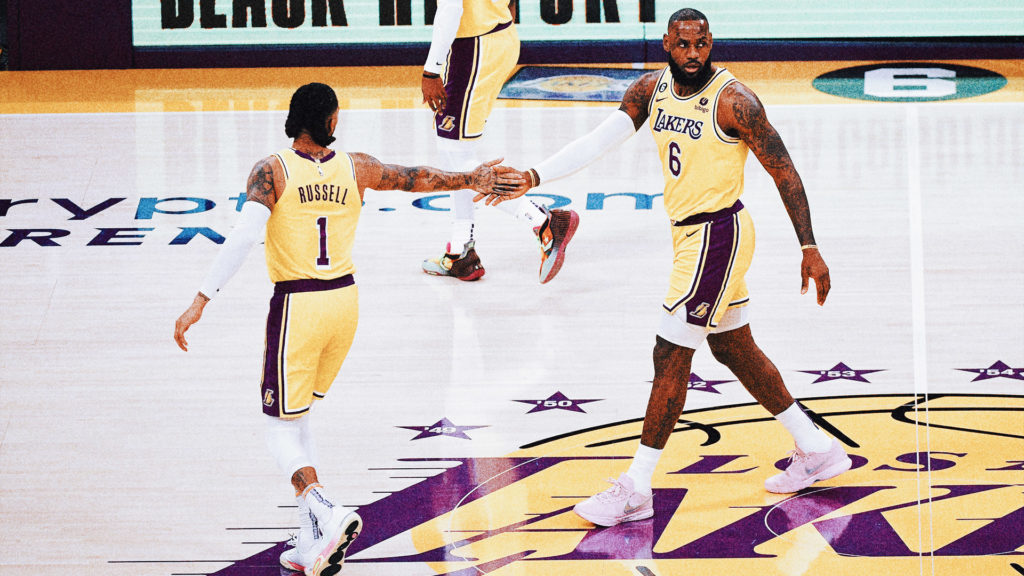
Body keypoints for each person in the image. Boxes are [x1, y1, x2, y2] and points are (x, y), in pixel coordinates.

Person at [479, 8, 851, 527]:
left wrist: (809, 245)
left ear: (711, 42)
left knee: (670, 352)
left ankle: (636, 486)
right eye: (683, 44)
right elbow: (598, 140)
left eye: (701, 44)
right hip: (689, 237)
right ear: (666, 44)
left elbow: (783, 169)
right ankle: (816, 448)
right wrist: (534, 176)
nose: (693, 54)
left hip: (718, 236)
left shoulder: (734, 101)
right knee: (732, 347)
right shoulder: (650, 90)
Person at [172, 83, 520, 575]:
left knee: (277, 426)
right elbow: (416, 178)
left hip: (298, 304)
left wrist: (201, 298)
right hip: (345, 303)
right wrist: (472, 177)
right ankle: (310, 538)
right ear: (331, 121)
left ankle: (323, 507)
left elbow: (245, 235)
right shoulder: (357, 167)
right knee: (298, 418)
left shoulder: (271, 170)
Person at [420, 0, 578, 283]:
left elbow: (451, 9)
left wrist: (431, 71)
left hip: (475, 45)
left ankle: (543, 221)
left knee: (456, 155)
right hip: (496, 34)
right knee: (454, 150)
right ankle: (460, 251)